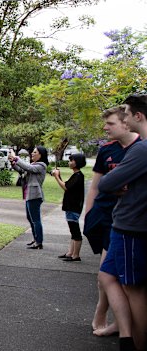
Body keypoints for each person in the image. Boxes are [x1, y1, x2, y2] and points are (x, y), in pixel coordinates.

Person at [84, 106, 140, 337]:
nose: (105, 128)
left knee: (114, 276)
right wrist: (88, 214)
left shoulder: (141, 148)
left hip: (132, 220)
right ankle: (109, 316)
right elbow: (96, 185)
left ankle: (112, 319)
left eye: (111, 123)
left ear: (127, 122)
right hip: (106, 218)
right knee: (106, 274)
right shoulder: (106, 150)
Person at [98, 94, 147, 351]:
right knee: (107, 275)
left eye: (126, 114)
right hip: (125, 224)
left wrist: (117, 183)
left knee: (133, 288)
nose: (124, 118)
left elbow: (106, 183)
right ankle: (125, 333)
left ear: (138, 116)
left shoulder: (142, 148)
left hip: (132, 227)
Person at [9, 145, 49, 249]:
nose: (32, 153)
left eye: (35, 152)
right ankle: (35, 239)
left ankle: (39, 242)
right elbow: (22, 170)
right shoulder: (33, 164)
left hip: (35, 195)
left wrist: (16, 157)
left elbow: (28, 167)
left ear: (41, 155)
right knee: (30, 218)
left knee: (35, 219)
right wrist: (13, 162)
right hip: (29, 194)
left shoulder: (42, 165)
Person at [51, 153, 86, 262]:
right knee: (72, 231)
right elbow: (66, 185)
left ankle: (76, 255)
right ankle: (70, 253)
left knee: (75, 231)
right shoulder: (76, 175)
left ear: (77, 162)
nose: (69, 162)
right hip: (71, 207)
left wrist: (56, 176)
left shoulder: (79, 176)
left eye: (71, 160)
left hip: (73, 207)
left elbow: (66, 187)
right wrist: (59, 176)